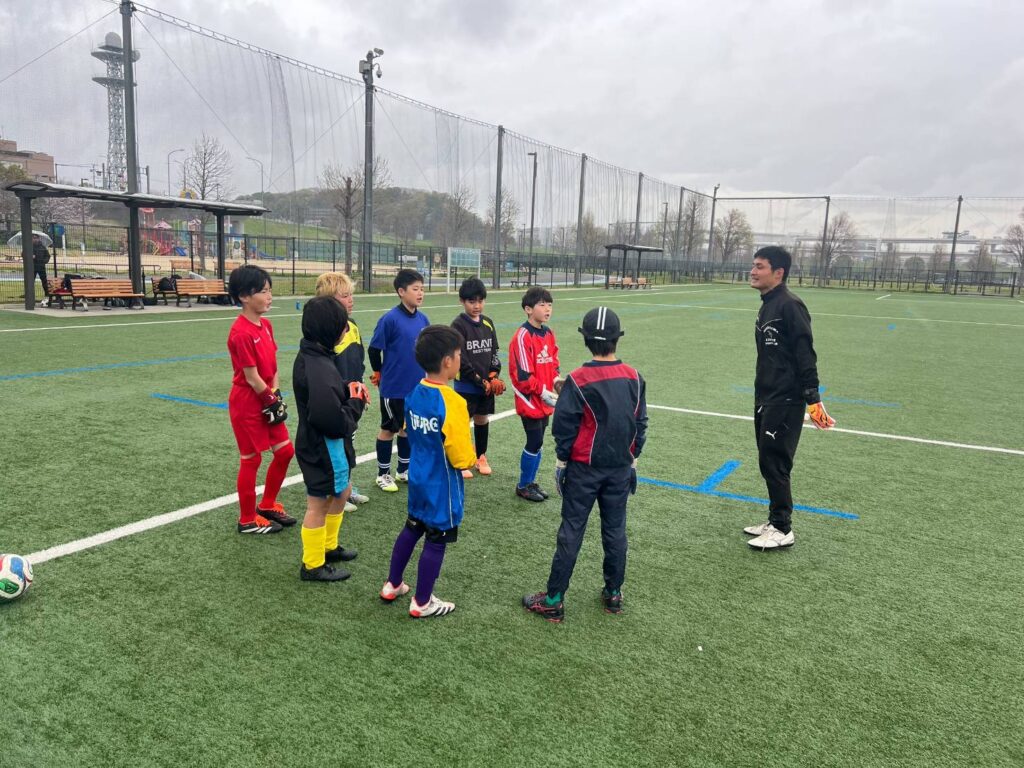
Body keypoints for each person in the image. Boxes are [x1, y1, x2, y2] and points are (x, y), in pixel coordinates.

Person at [523, 307, 647, 622]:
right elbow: (640, 423)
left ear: (586, 339)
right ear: (618, 338)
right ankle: (614, 593)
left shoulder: (579, 379)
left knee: (571, 530)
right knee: (615, 531)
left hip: (584, 470)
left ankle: (554, 599)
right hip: (619, 469)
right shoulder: (634, 377)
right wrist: (633, 458)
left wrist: (562, 461)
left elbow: (564, 426)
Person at [380, 325, 475, 618]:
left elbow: (408, 430)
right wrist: (471, 461)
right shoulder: (453, 402)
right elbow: (461, 457)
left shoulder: (415, 392)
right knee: (437, 537)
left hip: (418, 476)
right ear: (447, 361)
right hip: (441, 484)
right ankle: (422, 602)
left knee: (412, 527)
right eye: (458, 355)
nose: (460, 359)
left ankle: (393, 584)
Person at [744, 246, 835, 551]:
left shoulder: (790, 306)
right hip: (766, 395)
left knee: (775, 462)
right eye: (753, 265)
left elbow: (805, 353)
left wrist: (813, 399)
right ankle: (774, 520)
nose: (753, 271)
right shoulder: (768, 304)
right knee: (766, 459)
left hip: (785, 400)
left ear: (778, 272)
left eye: (760, 266)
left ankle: (783, 528)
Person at [292, 296, 370, 582]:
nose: (346, 330)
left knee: (342, 490)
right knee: (318, 503)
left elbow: (329, 395)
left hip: (326, 444)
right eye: (342, 326)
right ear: (330, 330)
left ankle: (328, 546)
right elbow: (332, 420)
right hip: (322, 445)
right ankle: (312, 565)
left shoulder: (316, 355)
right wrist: (356, 402)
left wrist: (348, 388)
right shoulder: (318, 366)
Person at [226, 265, 296, 534]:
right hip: (247, 402)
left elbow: (272, 367)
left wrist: (275, 393)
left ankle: (267, 505)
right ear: (244, 296)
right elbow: (252, 377)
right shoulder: (241, 332)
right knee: (251, 459)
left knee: (285, 452)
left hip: (266, 398)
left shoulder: (266, 325)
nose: (269, 296)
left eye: (269, 291)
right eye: (263, 291)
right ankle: (247, 520)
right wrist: (271, 399)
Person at [367, 268, 430, 492]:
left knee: (409, 429)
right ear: (401, 292)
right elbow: (374, 349)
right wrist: (378, 373)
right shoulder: (390, 319)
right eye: (415, 289)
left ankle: (403, 470)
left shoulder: (423, 319)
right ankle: (383, 474)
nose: (420, 293)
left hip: (416, 388)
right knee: (389, 429)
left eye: (422, 289)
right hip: (394, 388)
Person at [314, 272, 371, 510]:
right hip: (335, 399)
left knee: (349, 444)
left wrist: (360, 387)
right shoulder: (324, 332)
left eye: (351, 295)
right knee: (334, 447)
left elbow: (358, 359)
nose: (351, 300)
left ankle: (346, 488)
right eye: (345, 296)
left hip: (352, 397)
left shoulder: (353, 325)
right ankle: (333, 492)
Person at [508, 286, 561, 502]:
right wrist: (543, 391)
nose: (547, 309)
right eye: (542, 305)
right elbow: (522, 376)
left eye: (550, 305)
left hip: (544, 397)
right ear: (528, 309)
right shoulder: (523, 336)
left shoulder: (548, 333)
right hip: (529, 398)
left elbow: (554, 363)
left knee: (538, 442)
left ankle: (530, 482)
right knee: (534, 440)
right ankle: (523, 486)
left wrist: (557, 383)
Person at [451, 277, 506, 479]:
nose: (477, 306)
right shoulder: (458, 325)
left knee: (482, 419)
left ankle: (481, 456)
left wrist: (493, 376)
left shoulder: (488, 323)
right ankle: (462, 459)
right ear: (462, 301)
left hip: (486, 386)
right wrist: (478, 380)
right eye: (471, 301)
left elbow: (494, 352)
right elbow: (461, 359)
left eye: (480, 301)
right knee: (463, 422)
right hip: (467, 386)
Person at [32, 235, 51, 307]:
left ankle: (47, 295)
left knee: (44, 281)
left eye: (36, 238)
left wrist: (43, 261)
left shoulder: (42, 247)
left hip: (41, 267)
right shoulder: (29, 246)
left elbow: (48, 256)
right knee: (31, 282)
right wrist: (30, 256)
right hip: (32, 267)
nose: (35, 239)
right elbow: (23, 254)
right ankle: (30, 296)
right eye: (33, 238)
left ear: (39, 239)